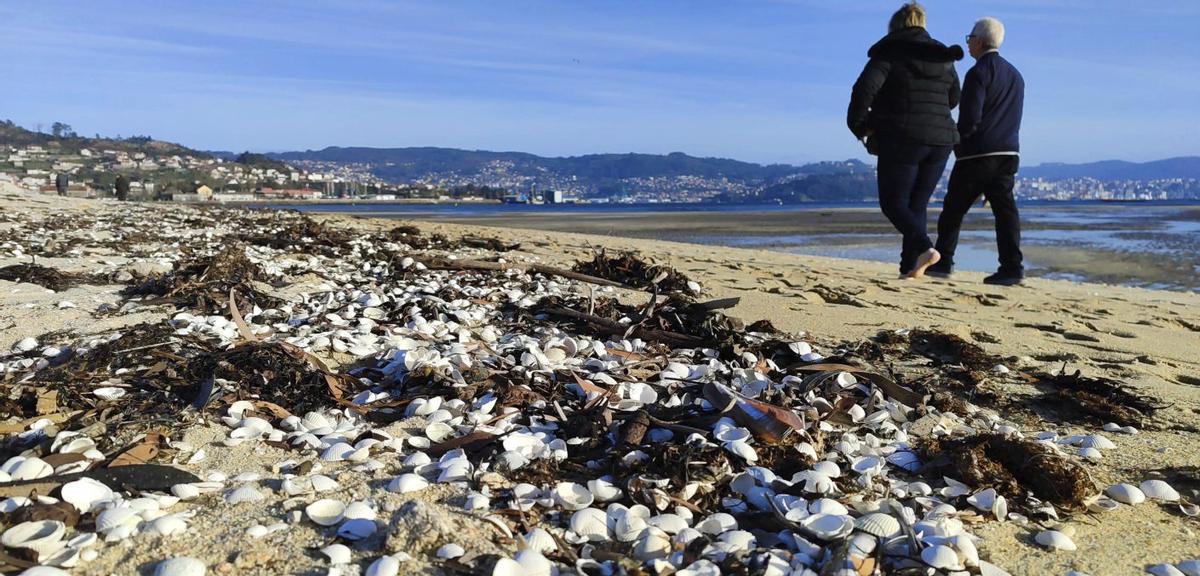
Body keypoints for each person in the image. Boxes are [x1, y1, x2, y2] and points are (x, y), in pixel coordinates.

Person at [848, 2, 963, 279]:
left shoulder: (889, 53)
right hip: (941, 139)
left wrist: (861, 127)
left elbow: (864, 90)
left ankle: (925, 248)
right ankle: (910, 268)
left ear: (895, 26)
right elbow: (954, 97)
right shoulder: (942, 56)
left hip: (902, 137)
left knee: (893, 202)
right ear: (922, 24)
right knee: (917, 204)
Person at [929, 17, 1025, 286]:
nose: (968, 43)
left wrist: (958, 142)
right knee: (1005, 211)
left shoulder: (978, 72)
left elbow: (970, 117)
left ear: (980, 41)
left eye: (969, 38)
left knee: (953, 209)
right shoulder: (1016, 76)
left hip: (978, 153)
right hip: (1008, 152)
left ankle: (943, 262)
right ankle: (1012, 267)